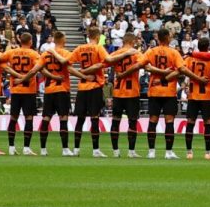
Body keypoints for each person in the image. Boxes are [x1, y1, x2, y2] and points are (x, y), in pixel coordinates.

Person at [141, 27, 185, 158]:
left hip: (154, 91)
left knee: (152, 120)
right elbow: (181, 69)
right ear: (167, 37)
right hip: (169, 91)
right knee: (169, 121)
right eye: (170, 35)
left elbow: (143, 65)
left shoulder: (151, 51)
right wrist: (167, 75)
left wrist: (158, 73)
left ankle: (151, 152)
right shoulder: (174, 53)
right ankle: (168, 152)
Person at [67, 28, 109, 158]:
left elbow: (67, 65)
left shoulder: (79, 48)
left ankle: (76, 149)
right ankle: (96, 150)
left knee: (80, 119)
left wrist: (81, 74)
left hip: (82, 88)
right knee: (94, 118)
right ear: (97, 36)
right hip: (95, 86)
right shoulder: (98, 48)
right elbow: (108, 61)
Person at [3, 30, 42, 156]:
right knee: (28, 118)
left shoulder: (11, 52)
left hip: (15, 89)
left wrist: (10, 71)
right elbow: (37, 68)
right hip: (28, 90)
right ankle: (26, 148)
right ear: (30, 41)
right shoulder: (34, 54)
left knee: (13, 118)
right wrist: (24, 77)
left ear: (20, 40)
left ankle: (11, 147)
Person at [106, 39, 144, 156]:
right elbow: (143, 64)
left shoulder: (116, 53)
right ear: (133, 42)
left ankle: (115, 151)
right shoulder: (136, 53)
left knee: (115, 121)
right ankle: (131, 151)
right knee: (132, 122)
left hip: (118, 92)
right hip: (131, 91)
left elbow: (106, 60)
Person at [38, 30, 73, 156]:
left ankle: (43, 149)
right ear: (62, 40)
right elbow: (68, 64)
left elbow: (40, 69)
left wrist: (51, 75)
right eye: (65, 37)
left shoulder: (46, 53)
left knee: (46, 118)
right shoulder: (66, 52)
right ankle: (65, 149)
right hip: (62, 89)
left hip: (48, 90)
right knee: (63, 118)